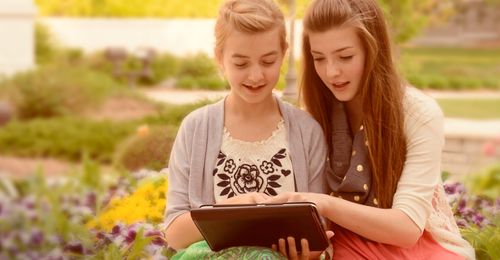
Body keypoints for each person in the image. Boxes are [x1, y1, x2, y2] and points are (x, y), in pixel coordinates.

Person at [264, 0, 475, 259]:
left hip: (417, 245)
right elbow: (314, 221)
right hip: (343, 244)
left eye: (345, 57)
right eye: (319, 58)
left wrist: (327, 204)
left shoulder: (419, 113)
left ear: (373, 50)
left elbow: (407, 228)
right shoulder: (313, 116)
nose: (332, 72)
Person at [164, 0, 328, 258]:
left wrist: (309, 254)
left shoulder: (307, 132)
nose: (255, 76)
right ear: (220, 58)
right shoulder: (195, 129)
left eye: (268, 61)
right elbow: (174, 233)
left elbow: (321, 231)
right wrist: (233, 208)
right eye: (241, 64)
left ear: (284, 53)